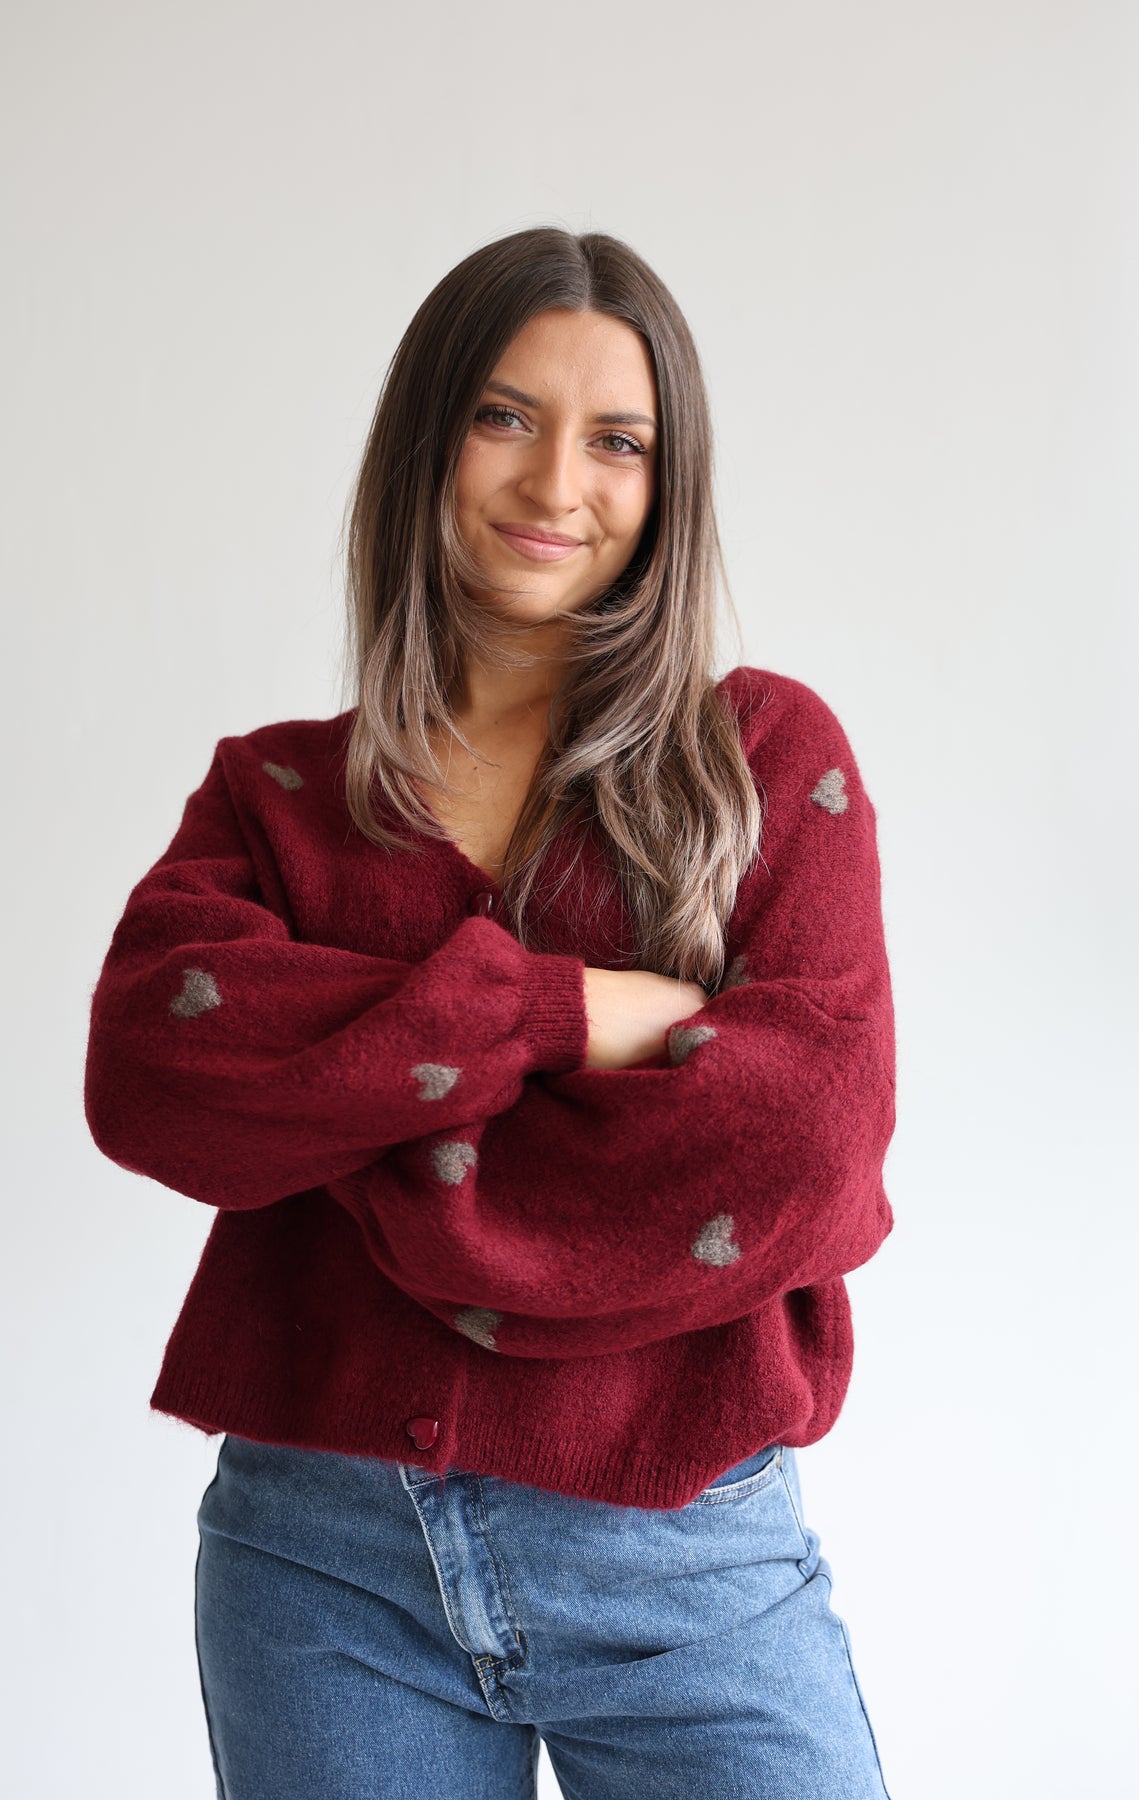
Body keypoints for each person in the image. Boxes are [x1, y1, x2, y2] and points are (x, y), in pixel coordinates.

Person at [83, 226, 897, 1799]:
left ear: (670, 483)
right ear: (427, 438)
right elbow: (152, 1071)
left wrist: (361, 1099)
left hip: (681, 1559)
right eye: (505, 417)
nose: (555, 483)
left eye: (618, 441)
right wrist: (560, 1015)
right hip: (319, 1560)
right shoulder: (277, 793)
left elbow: (804, 1142)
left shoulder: (761, 762)